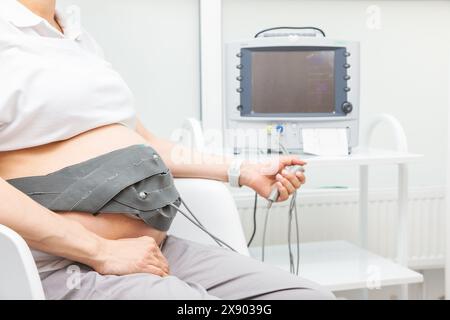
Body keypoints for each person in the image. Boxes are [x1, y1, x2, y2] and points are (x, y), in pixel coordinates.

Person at [0, 0, 335, 300]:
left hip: (151, 250)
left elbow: (147, 142)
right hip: (59, 263)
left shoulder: (77, 36)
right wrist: (100, 251)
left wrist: (241, 170)